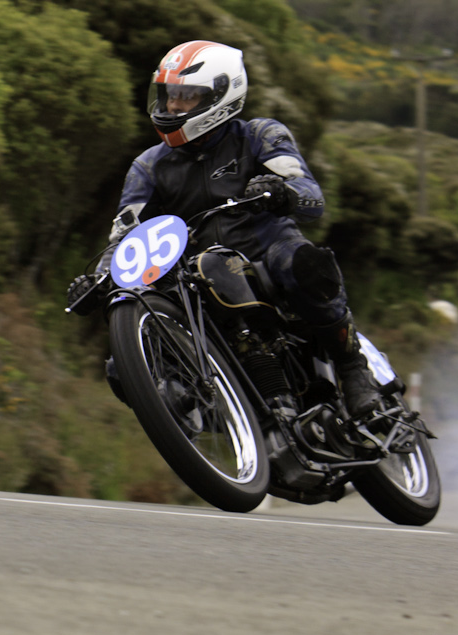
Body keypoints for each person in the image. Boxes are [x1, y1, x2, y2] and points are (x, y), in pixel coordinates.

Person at [73, 38, 380, 420]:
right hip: (195, 276)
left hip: (266, 250)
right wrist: (100, 276)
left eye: (186, 95)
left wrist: (278, 191)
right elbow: (125, 237)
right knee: (123, 367)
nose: (172, 105)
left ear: (222, 94)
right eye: (169, 94)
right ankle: (206, 423)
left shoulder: (260, 135)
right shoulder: (148, 166)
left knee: (303, 262)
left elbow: (309, 194)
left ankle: (353, 369)